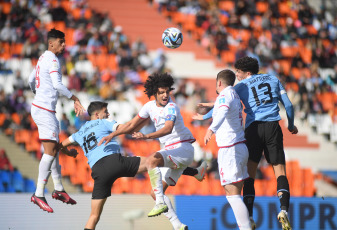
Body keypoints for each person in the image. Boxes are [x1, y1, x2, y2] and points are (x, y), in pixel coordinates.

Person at [59, 101, 206, 230]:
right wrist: (140, 131)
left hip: (98, 172)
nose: (108, 114)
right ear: (97, 115)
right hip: (115, 162)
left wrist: (70, 153)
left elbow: (61, 145)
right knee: (153, 161)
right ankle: (194, 172)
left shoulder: (79, 133)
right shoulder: (102, 122)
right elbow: (126, 127)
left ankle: (195, 174)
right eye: (105, 112)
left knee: (93, 216)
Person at [194, 56, 298, 230]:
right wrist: (292, 124)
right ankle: (284, 211)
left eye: (239, 72)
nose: (237, 76)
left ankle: (249, 216)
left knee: (249, 176)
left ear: (247, 73)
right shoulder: (273, 79)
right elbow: (288, 105)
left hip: (253, 130)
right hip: (273, 127)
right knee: (280, 172)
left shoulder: (241, 86)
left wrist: (205, 115)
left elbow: (226, 100)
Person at [99, 73, 207, 230]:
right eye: (161, 92)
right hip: (172, 152)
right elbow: (131, 125)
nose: (165, 95)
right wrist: (112, 134)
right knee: (155, 192)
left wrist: (146, 136)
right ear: (154, 93)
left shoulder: (172, 107)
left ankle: (160, 203)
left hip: (182, 148)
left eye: (167, 92)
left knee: (151, 161)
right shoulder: (149, 106)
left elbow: (168, 128)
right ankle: (178, 225)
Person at [28, 28, 85, 213]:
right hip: (45, 109)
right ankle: (38, 193)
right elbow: (57, 84)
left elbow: (31, 80)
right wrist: (74, 98)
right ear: (51, 43)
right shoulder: (52, 59)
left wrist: (37, 93)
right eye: (61, 42)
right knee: (50, 151)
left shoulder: (42, 58)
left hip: (41, 107)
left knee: (53, 150)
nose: (64, 45)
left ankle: (59, 189)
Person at [204, 70, 251, 230]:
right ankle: (246, 223)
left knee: (233, 196)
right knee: (235, 193)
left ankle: (245, 227)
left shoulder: (224, 95)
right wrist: (204, 116)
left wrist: (211, 128)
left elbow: (222, 111)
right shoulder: (233, 94)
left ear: (219, 83)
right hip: (239, 146)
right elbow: (220, 107)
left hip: (230, 149)